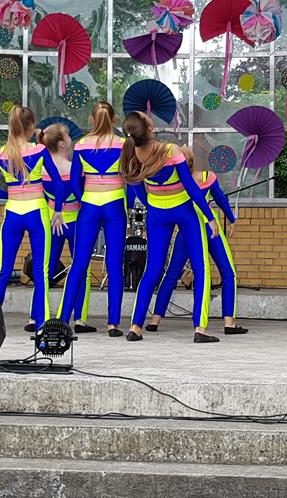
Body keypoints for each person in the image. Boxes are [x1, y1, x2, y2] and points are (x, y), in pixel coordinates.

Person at [121, 111, 221, 343]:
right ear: (149, 128)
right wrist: (210, 217)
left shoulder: (131, 155)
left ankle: (135, 327)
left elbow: (136, 189)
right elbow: (191, 187)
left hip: (157, 214)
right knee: (201, 268)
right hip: (184, 212)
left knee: (152, 269)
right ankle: (200, 329)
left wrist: (153, 205)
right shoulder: (171, 150)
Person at [0, 105, 66, 330]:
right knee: (41, 271)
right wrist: (58, 210)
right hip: (37, 212)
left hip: (12, 213)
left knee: (3, 270)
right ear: (30, 126)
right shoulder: (39, 150)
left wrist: (11, 194)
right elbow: (58, 184)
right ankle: (42, 324)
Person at [146, 162, 247, 335]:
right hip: (209, 224)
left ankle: (155, 320)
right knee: (227, 271)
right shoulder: (208, 176)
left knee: (172, 273)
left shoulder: (178, 178)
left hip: (187, 227)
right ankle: (229, 322)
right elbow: (220, 198)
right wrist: (231, 218)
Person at [57, 102, 130, 337]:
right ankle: (113, 324)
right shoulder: (123, 144)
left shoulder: (81, 145)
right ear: (114, 119)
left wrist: (84, 198)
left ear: (91, 120)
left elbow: (73, 181)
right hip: (115, 204)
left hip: (89, 205)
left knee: (79, 263)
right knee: (115, 264)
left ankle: (62, 320)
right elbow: (130, 177)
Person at [39, 123, 95, 334]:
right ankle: (80, 319)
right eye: (68, 136)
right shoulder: (75, 169)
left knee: (44, 269)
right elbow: (83, 195)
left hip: (52, 222)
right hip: (76, 221)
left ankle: (38, 316)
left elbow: (41, 195)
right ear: (62, 143)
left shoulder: (42, 170)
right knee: (82, 270)